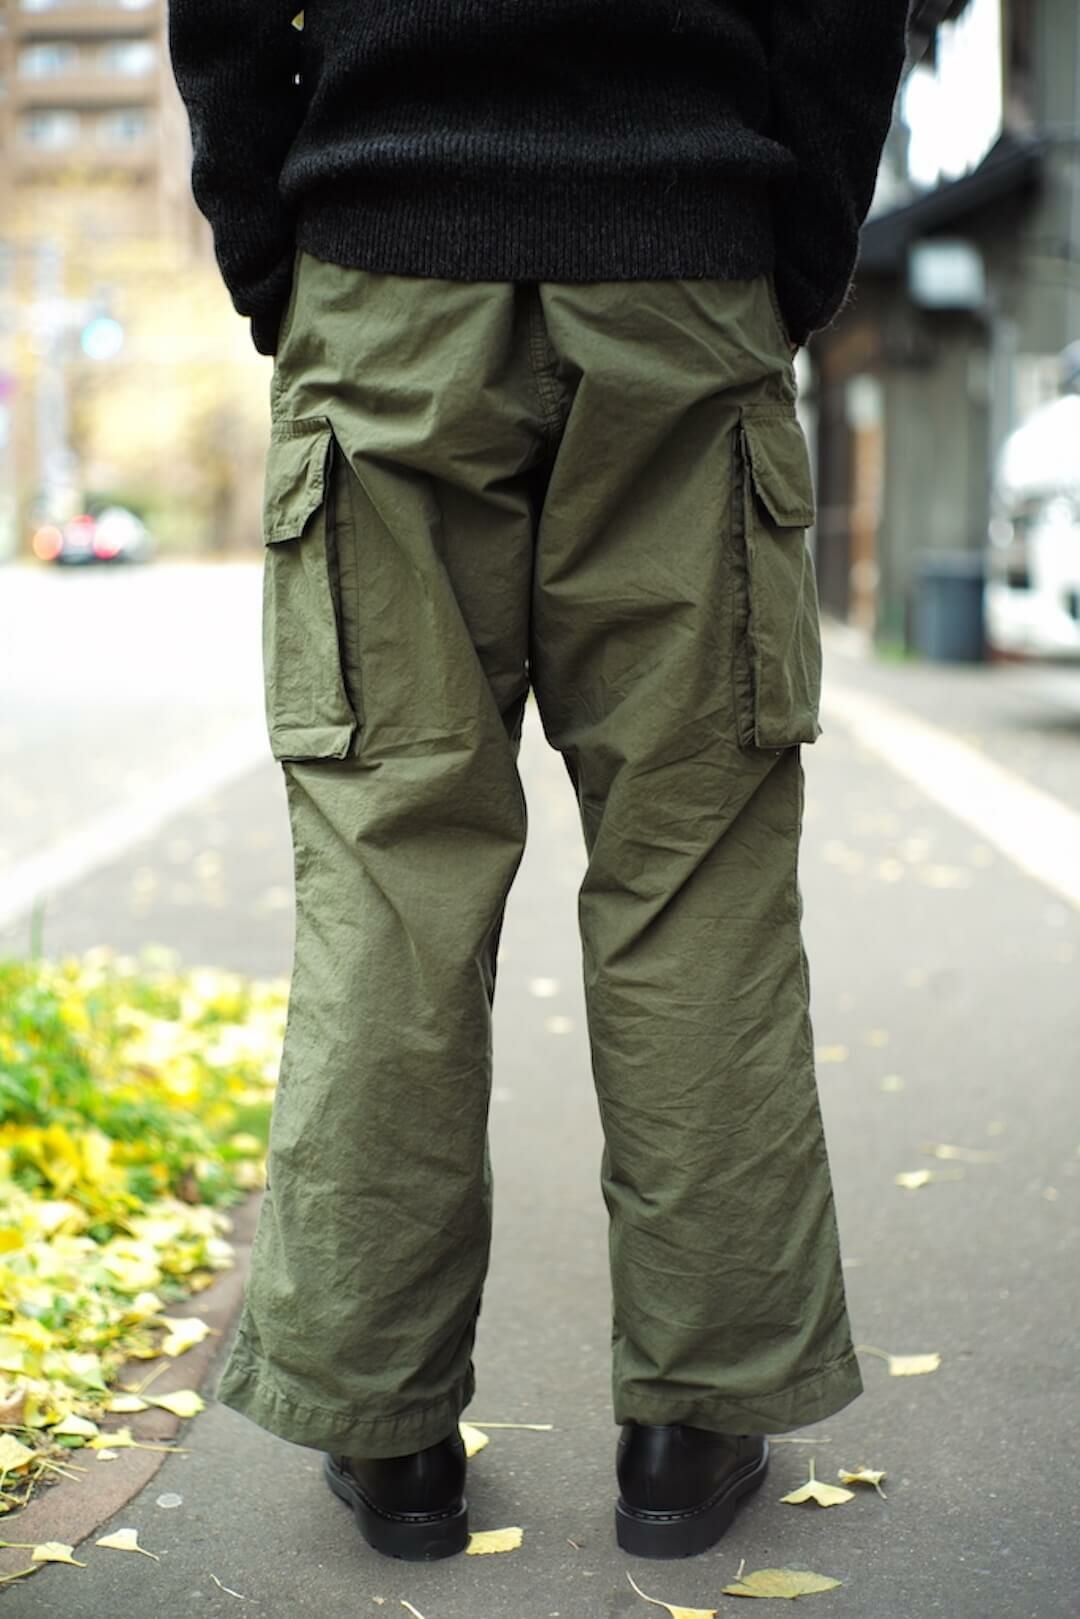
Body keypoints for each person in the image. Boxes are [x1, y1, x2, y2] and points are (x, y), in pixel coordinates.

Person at [168, 0, 912, 1564]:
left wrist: (277, 247)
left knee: (391, 873)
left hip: (383, 283)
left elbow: (226, 17)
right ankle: (694, 1422)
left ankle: (388, 1431)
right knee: (696, 879)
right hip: (684, 274)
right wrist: (786, 253)